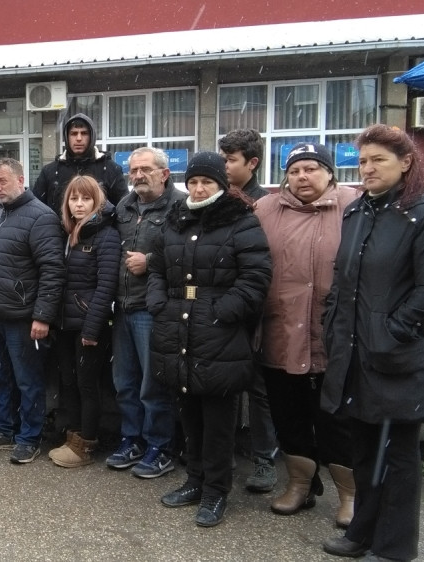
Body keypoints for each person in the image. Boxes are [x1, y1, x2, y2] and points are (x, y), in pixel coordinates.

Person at [321, 124, 424, 561]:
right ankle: (362, 533)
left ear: (406, 162)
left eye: (378, 160)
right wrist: (331, 324)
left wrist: (393, 333)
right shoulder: (357, 211)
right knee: (364, 450)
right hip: (355, 354)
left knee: (397, 457)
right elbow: (343, 279)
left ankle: (394, 549)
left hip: (398, 357)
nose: (367, 168)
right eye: (362, 161)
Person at [149, 152, 271, 527]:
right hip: (177, 328)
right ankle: (195, 480)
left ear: (221, 184)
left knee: (218, 419)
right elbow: (157, 269)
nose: (199, 189)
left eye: (208, 182)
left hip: (220, 333)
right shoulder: (175, 220)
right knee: (189, 413)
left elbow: (256, 277)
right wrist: (159, 304)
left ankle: (216, 490)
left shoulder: (240, 220)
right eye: (194, 182)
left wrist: (222, 312)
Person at [255, 143, 359, 526]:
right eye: (295, 170)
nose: (302, 176)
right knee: (289, 415)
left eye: (312, 168)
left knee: (337, 420)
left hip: (333, 335)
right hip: (280, 330)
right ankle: (300, 484)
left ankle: (350, 494)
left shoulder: (354, 206)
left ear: (330, 173)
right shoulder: (266, 209)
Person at [0, 158, 65, 464]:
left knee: (28, 381)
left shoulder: (41, 217)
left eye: (3, 181)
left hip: (23, 319)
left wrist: (43, 316)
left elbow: (52, 270)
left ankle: (29, 438)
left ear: (21, 180)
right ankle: (4, 430)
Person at [106, 147, 186, 478]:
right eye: (133, 170)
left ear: (164, 174)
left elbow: (188, 252)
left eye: (145, 169)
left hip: (152, 310)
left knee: (153, 385)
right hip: (122, 307)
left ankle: (160, 446)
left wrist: (150, 261)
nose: (137, 175)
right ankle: (132, 440)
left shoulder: (180, 206)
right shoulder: (123, 206)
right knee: (124, 382)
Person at [218, 128, 277, 492]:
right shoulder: (217, 198)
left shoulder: (266, 205)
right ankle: (218, 453)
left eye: (231, 160)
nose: (224, 166)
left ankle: (264, 459)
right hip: (220, 308)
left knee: (259, 388)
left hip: (253, 309)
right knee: (221, 384)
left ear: (252, 163)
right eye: (222, 159)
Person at [48, 175, 118, 468]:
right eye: (73, 199)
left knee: (87, 384)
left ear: (96, 202)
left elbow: (106, 286)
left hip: (89, 325)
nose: (79, 204)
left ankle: (87, 443)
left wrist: (91, 328)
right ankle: (73, 437)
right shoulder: (68, 233)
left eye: (86, 199)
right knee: (69, 382)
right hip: (65, 324)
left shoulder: (106, 235)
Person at [32, 113, 128, 216]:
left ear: (91, 136)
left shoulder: (110, 169)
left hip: (101, 226)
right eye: (73, 133)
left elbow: (123, 209)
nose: (78, 138)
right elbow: (36, 209)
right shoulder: (50, 171)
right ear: (67, 137)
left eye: (84, 133)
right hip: (58, 226)